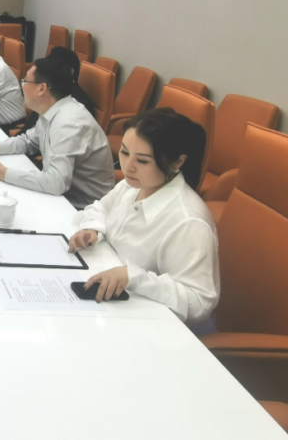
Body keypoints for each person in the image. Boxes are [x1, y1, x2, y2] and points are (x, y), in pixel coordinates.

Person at [67, 108, 219, 326]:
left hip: (157, 324)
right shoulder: (133, 185)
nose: (128, 166)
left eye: (143, 161)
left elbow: (199, 303)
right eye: (124, 152)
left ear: (177, 162)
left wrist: (134, 277)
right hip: (119, 303)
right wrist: (93, 229)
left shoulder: (189, 221)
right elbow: (100, 208)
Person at [0, 56, 115, 209]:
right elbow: (29, 141)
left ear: (41, 88)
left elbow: (56, 183)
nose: (22, 86)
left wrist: (1, 172)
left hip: (82, 209)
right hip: (61, 197)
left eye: (25, 81)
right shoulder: (53, 110)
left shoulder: (69, 124)